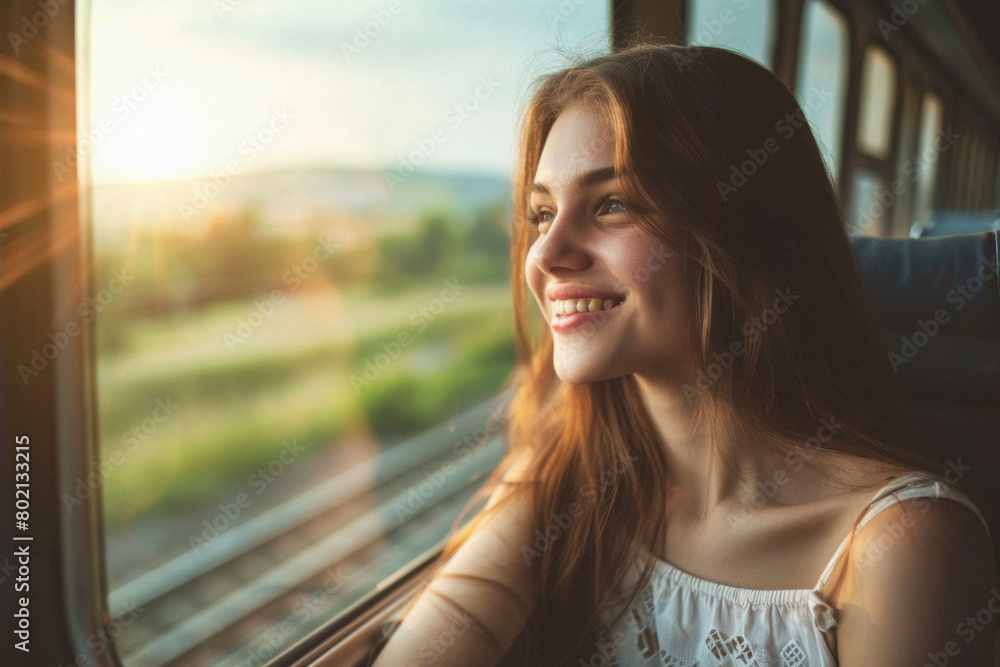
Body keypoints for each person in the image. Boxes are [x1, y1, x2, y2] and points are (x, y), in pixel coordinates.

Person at [370, 44, 997, 666]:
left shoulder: (902, 548)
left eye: (611, 204)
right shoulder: (571, 470)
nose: (546, 254)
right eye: (542, 213)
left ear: (745, 230)